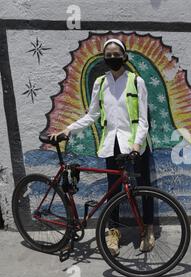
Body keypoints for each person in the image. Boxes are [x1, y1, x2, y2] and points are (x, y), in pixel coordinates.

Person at [50, 38, 155, 256]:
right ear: (104, 58)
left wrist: (137, 143)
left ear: (124, 57)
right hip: (112, 144)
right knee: (113, 191)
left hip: (136, 144)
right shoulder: (100, 83)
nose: (113, 58)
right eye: (109, 55)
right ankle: (113, 232)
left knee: (143, 188)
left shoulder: (137, 82)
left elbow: (144, 119)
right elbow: (93, 115)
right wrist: (68, 129)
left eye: (117, 54)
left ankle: (148, 229)